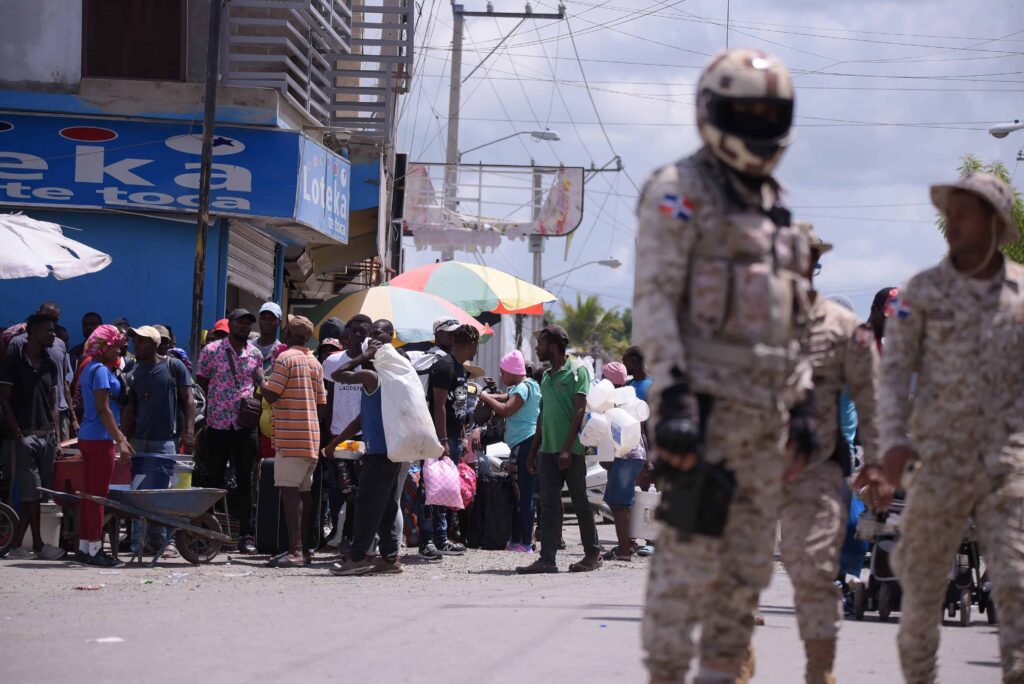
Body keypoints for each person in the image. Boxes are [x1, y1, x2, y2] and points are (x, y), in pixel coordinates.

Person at [634, 48, 812, 683]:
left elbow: (789, 310)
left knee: (745, 578)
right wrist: (675, 398)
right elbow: (655, 300)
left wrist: (807, 399)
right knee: (685, 574)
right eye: (746, 112)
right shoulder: (679, 192)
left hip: (765, 425)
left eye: (770, 113)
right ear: (711, 112)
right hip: (702, 423)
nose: (758, 124)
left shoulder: (774, 200)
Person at [858, 172, 1024, 684]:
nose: (951, 224)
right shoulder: (921, 292)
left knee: (1016, 578)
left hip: (1007, 462)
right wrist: (888, 451)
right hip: (936, 465)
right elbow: (893, 378)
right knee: (921, 588)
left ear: (994, 224)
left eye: (964, 213)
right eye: (949, 213)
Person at [778, 226, 879, 684]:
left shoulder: (844, 330)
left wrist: (877, 464)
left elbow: (873, 401)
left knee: (815, 569)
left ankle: (820, 672)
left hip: (818, 467)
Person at [516, 325, 601, 575]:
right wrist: (534, 450)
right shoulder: (545, 376)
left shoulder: (577, 371)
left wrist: (566, 448)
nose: (537, 348)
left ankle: (592, 554)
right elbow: (543, 415)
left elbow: (579, 410)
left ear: (553, 346)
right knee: (549, 506)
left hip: (571, 451)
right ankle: (547, 559)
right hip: (547, 451)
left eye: (540, 344)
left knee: (581, 502)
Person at [327, 320, 405, 576]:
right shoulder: (390, 377)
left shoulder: (372, 376)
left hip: (381, 453)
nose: (369, 339)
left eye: (375, 335)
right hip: (391, 450)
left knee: (367, 503)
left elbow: (337, 375)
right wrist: (334, 444)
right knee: (385, 505)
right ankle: (390, 558)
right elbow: (362, 418)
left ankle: (359, 556)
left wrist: (365, 355)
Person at [194, 309, 263, 555]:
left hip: (245, 426)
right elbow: (201, 384)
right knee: (212, 480)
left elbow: (258, 384)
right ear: (230, 324)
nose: (244, 326)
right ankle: (208, 533)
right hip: (217, 424)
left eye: (248, 323)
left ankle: (246, 535)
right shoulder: (211, 351)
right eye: (240, 321)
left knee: (246, 482)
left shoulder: (255, 353)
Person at [262, 315, 328, 567]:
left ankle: (296, 551)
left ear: (290, 334)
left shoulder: (285, 358)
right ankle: (305, 550)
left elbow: (271, 394)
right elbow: (322, 404)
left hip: (290, 437)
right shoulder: (315, 362)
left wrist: (259, 377)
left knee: (290, 494)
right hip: (311, 437)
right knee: (304, 494)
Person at [0, 314, 64, 560]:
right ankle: (38, 544)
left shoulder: (49, 363)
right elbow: (4, 399)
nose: (53, 334)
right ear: (33, 332)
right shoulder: (12, 363)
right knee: (32, 492)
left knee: (36, 493)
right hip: (25, 436)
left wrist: (56, 437)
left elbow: (53, 403)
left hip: (46, 435)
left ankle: (17, 545)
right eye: (48, 330)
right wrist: (16, 432)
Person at [76, 324, 133, 568]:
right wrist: (120, 439)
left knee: (89, 496)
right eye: (116, 345)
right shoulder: (99, 370)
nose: (119, 349)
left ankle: (84, 547)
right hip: (100, 439)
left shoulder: (89, 367)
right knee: (98, 497)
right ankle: (96, 549)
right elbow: (103, 409)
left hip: (88, 436)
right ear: (105, 347)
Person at [420, 323, 479, 558]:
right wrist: (442, 440)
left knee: (444, 490)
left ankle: (442, 538)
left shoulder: (460, 368)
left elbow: (459, 406)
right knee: (432, 490)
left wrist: (462, 436)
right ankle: (428, 541)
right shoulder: (444, 366)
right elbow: (440, 406)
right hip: (440, 438)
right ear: (471, 343)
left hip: (454, 437)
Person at [478, 350, 542, 552]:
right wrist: (490, 394)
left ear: (512, 372)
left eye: (503, 372)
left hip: (525, 443)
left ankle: (524, 542)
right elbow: (505, 396)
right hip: (522, 444)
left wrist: (483, 396)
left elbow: (506, 409)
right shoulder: (528, 385)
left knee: (524, 495)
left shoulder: (522, 388)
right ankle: (516, 540)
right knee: (519, 494)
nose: (501, 377)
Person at [599, 361, 649, 562]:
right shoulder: (631, 397)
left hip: (623, 456)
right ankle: (627, 544)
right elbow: (641, 429)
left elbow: (606, 432)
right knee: (624, 502)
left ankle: (623, 550)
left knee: (618, 503)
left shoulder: (609, 400)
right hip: (636, 454)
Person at [8, 302, 76, 442]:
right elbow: (7, 389)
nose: (51, 323)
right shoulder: (18, 343)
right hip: (28, 420)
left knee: (59, 460)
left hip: (58, 413)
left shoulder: (59, 344)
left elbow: (63, 382)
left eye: (55, 320)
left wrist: (72, 416)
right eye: (47, 318)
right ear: (37, 313)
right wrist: (14, 426)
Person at [122, 326, 196, 455]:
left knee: (164, 474)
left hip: (166, 441)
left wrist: (189, 430)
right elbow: (129, 407)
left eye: (141, 341)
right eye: (134, 341)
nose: (136, 346)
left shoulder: (174, 366)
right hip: (139, 440)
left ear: (155, 344)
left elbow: (188, 399)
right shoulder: (131, 369)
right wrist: (123, 437)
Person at [255, 302, 287, 367]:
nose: (266, 322)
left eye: (271, 319)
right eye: (263, 318)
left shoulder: (282, 352)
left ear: (279, 322)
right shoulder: (248, 348)